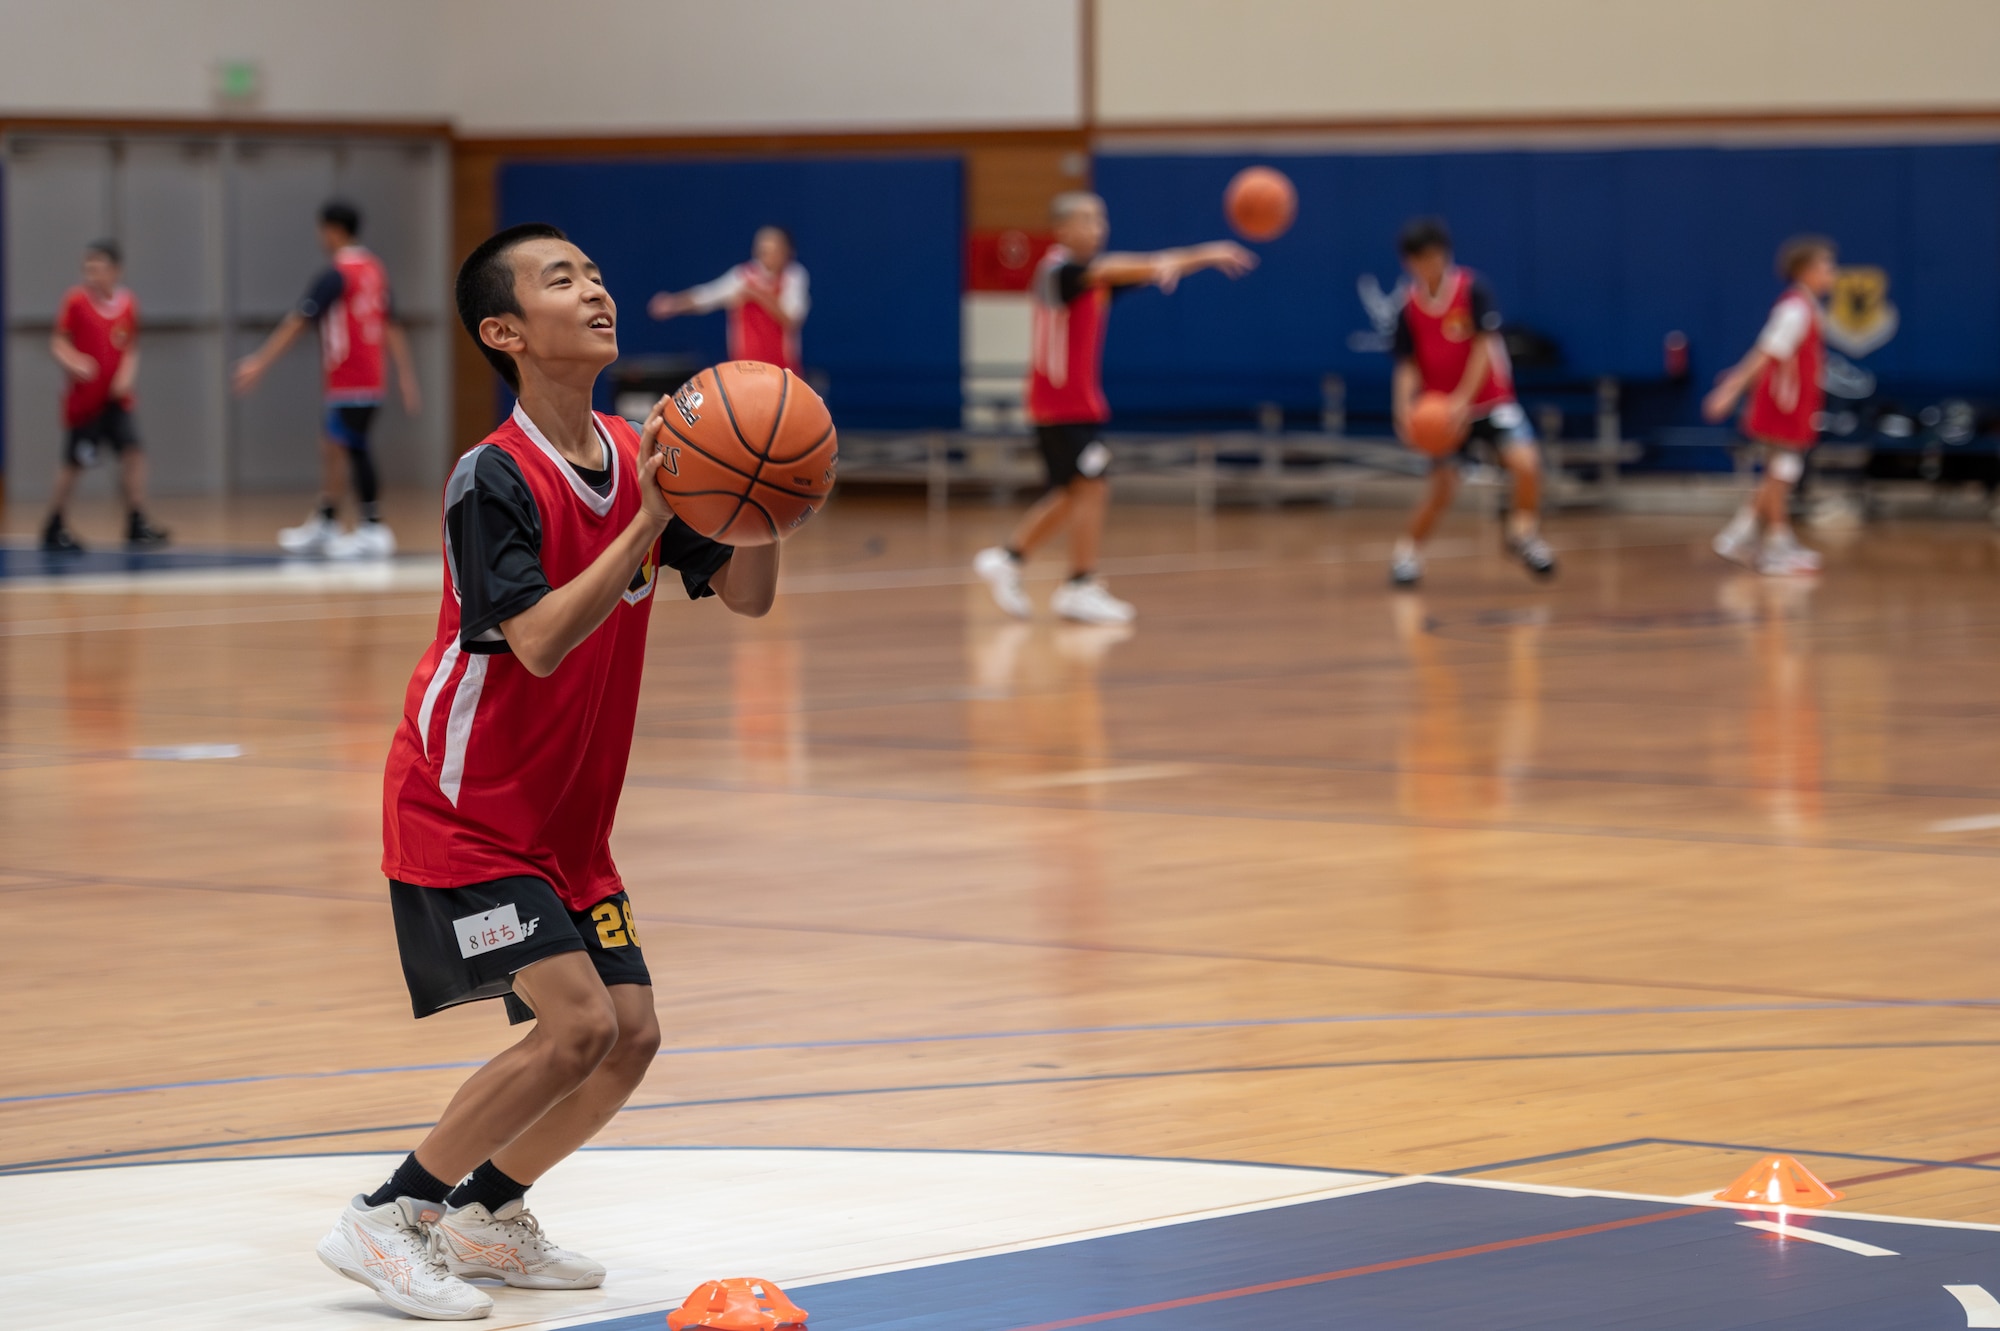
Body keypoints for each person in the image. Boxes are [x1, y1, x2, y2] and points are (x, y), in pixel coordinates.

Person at [313, 222, 779, 1320]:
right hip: (462, 810)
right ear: (505, 331)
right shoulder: (495, 476)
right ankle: (388, 1216)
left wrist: (767, 497)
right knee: (573, 1026)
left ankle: (486, 1212)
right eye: (562, 279)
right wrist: (651, 520)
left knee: (632, 1032)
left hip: (568, 826)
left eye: (598, 273)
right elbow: (534, 638)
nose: (597, 290)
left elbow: (749, 598)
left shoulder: (639, 455)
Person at [973, 191, 1255, 625]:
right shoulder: (1058, 271)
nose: (1098, 227)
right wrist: (1196, 253)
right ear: (1063, 229)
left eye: (1102, 218)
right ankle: (1078, 585)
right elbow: (1116, 268)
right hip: (1061, 406)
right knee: (1093, 487)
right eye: (1087, 219)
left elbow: (1147, 265)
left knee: (1073, 494)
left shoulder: (1092, 277)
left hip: (1073, 406)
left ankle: (1010, 559)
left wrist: (1204, 258)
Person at [234, 200, 420, 558]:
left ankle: (372, 526)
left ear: (333, 230)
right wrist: (405, 375)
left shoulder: (337, 273)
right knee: (332, 445)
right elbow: (391, 323)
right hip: (366, 374)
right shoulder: (374, 269)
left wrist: (260, 361)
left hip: (352, 376)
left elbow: (297, 321)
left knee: (354, 444)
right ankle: (328, 519)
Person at [1387, 217, 1555, 587]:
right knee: (1443, 485)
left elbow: (1484, 347)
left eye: (1433, 257)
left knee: (1527, 464)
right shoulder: (1409, 307)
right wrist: (1403, 409)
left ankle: (1523, 536)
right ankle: (1407, 554)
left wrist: (1463, 399)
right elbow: (1407, 366)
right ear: (1409, 263)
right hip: (1442, 412)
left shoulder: (1472, 290)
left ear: (1445, 255)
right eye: (1420, 260)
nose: (1428, 266)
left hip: (1490, 401)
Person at [1702, 234, 1837, 576]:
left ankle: (1750, 536)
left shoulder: (1807, 306)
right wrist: (1731, 389)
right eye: (1826, 266)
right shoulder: (1793, 308)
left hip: (1797, 400)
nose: (1831, 273)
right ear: (1805, 270)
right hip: (1783, 402)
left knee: (1784, 471)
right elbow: (1766, 352)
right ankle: (1766, 542)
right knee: (1782, 471)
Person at [41, 240, 169, 552]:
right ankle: (54, 522)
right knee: (75, 461)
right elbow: (58, 342)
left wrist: (126, 376)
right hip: (86, 401)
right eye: (88, 269)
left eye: (98, 269)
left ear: (115, 271)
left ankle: (136, 519)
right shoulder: (76, 302)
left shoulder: (127, 304)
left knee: (133, 452)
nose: (92, 275)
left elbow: (130, 346)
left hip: (116, 400)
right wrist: (75, 361)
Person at [647, 225, 808, 371]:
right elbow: (706, 296)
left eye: (773, 249)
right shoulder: (742, 276)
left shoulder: (795, 276)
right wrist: (673, 303)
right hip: (746, 369)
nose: (766, 255)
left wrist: (757, 294)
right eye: (763, 250)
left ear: (786, 251)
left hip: (784, 369)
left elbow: (792, 319)